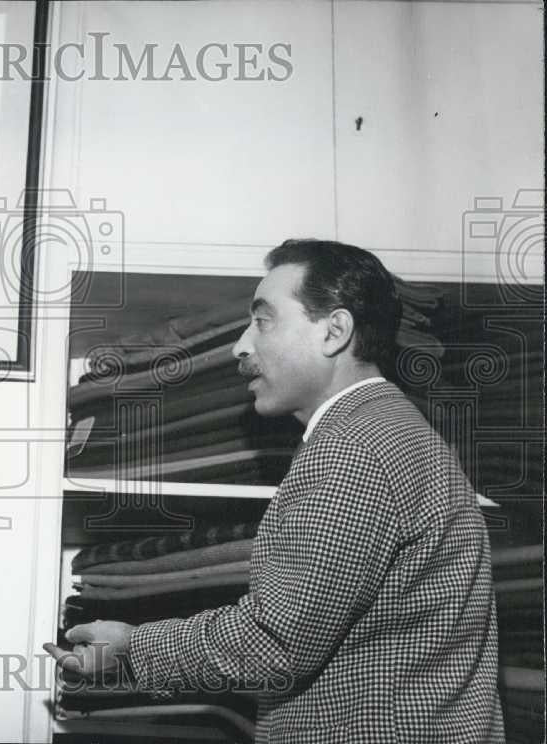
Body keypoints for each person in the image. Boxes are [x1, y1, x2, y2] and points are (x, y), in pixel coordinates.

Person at [46, 240, 504, 742]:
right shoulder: (397, 432)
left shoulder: (353, 448)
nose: (241, 345)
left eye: (263, 321)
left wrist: (135, 648)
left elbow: (274, 643)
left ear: (335, 331)